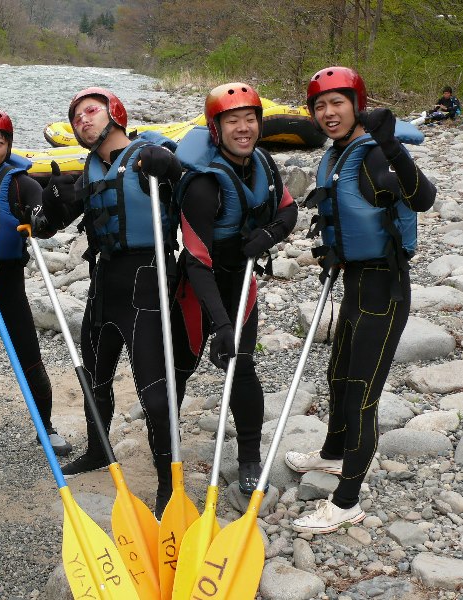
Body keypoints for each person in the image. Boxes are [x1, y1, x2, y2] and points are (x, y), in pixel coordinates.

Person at [285, 66, 436, 534]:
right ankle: (333, 455)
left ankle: (346, 502)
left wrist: (393, 147)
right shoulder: (336, 155)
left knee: (361, 397)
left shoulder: (373, 154)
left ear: (357, 106)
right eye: (320, 106)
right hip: (354, 284)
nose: (328, 113)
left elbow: (424, 198)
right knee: (337, 377)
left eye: (338, 103)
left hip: (384, 289)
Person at [40, 87, 183, 517]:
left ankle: (168, 483)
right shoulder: (90, 169)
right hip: (104, 283)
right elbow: (52, 223)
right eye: (76, 117)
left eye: (90, 111)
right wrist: (47, 208)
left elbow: (186, 175)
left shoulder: (149, 156)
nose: (82, 120)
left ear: (114, 113)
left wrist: (171, 166)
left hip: (147, 280)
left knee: (154, 395)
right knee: (94, 377)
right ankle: (99, 450)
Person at [172, 83, 298, 495]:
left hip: (242, 282)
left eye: (250, 119)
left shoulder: (263, 163)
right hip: (197, 289)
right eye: (232, 121)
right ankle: (166, 450)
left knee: (241, 368)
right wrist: (221, 325)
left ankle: (248, 459)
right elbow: (197, 261)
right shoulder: (203, 185)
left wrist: (268, 235)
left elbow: (288, 210)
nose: (243, 128)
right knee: (180, 370)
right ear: (216, 129)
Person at [0, 107, 71, 463]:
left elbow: (42, 222)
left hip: (8, 287)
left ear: (9, 146)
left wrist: (50, 211)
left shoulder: (22, 184)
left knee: (31, 361)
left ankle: (46, 428)